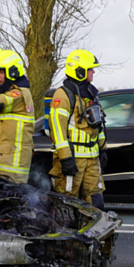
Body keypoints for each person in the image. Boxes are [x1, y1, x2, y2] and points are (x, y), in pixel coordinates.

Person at [48, 49, 106, 209]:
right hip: (72, 160)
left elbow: (98, 125)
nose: (93, 71)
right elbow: (57, 130)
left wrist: (102, 149)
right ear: (79, 71)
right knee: (68, 204)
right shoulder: (64, 95)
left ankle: (96, 234)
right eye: (90, 69)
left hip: (92, 161)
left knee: (96, 203)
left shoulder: (91, 94)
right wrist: (65, 159)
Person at [0, 49, 35, 183]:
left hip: (12, 166)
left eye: (0, 72)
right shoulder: (18, 92)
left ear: (12, 72)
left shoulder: (18, 95)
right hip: (10, 162)